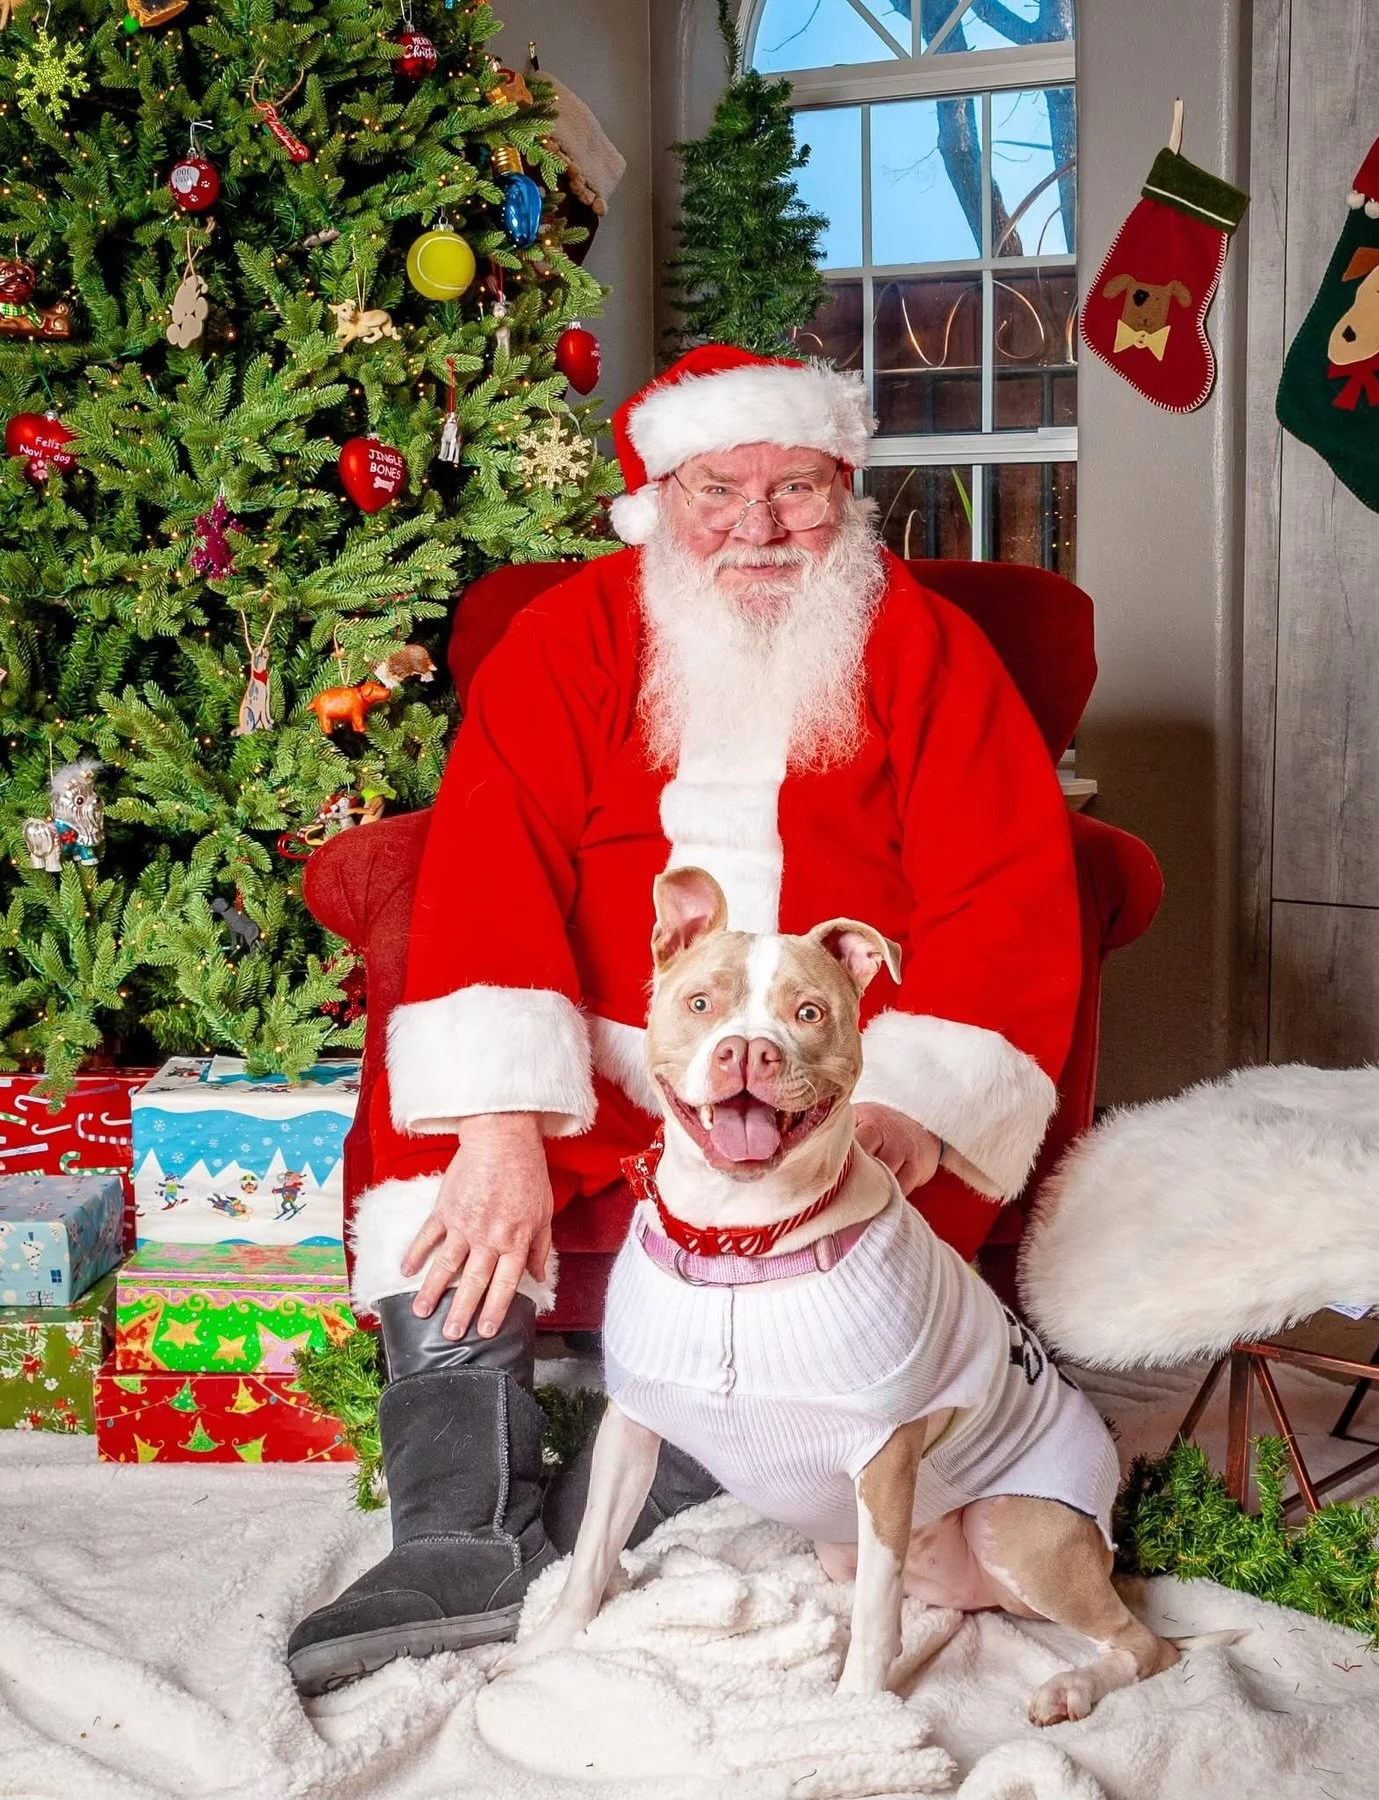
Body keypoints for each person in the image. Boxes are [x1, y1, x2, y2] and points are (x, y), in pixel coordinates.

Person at [287, 344, 1082, 1695]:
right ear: (662, 494)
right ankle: (458, 1534)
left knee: (853, 1236)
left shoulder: (923, 646)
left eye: (797, 491)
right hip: (605, 1047)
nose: (761, 529)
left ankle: (683, 1474)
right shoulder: (572, 638)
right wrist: (501, 1116)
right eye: (722, 490)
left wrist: (909, 1105)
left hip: (835, 1064)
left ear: (848, 489)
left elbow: (1008, 885)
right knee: (443, 1122)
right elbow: (489, 861)